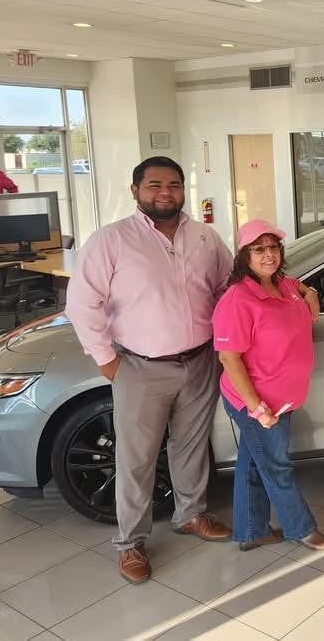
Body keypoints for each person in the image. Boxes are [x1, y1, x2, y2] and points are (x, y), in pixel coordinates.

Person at [65, 156, 233, 584]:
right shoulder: (111, 241)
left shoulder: (204, 237)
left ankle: (191, 514)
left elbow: (227, 289)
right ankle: (130, 543)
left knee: (191, 447)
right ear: (135, 189)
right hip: (140, 366)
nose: (166, 192)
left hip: (199, 361)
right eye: (155, 185)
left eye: (174, 185)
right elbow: (83, 304)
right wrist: (107, 361)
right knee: (136, 460)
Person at [212, 219, 324, 553]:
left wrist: (310, 293)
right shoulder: (238, 300)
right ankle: (301, 529)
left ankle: (253, 531)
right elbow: (229, 359)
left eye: (273, 247)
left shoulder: (283, 285)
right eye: (258, 249)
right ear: (243, 256)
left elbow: (300, 285)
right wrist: (257, 408)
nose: (269, 255)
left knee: (253, 463)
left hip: (282, 400)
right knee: (276, 467)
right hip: (258, 403)